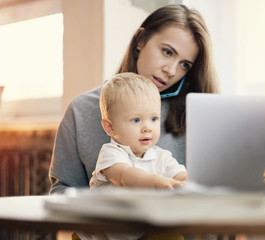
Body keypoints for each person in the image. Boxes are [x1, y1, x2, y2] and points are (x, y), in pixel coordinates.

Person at [49, 4, 219, 194]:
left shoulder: (194, 115)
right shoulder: (80, 110)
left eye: (185, 65)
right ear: (140, 40)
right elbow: (61, 193)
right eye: (167, 52)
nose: (171, 71)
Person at [89, 72, 187, 190]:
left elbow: (181, 176)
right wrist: (157, 182)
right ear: (110, 127)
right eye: (136, 120)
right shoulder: (110, 153)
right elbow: (124, 176)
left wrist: (187, 183)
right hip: (106, 208)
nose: (148, 128)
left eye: (154, 119)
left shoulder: (162, 157)